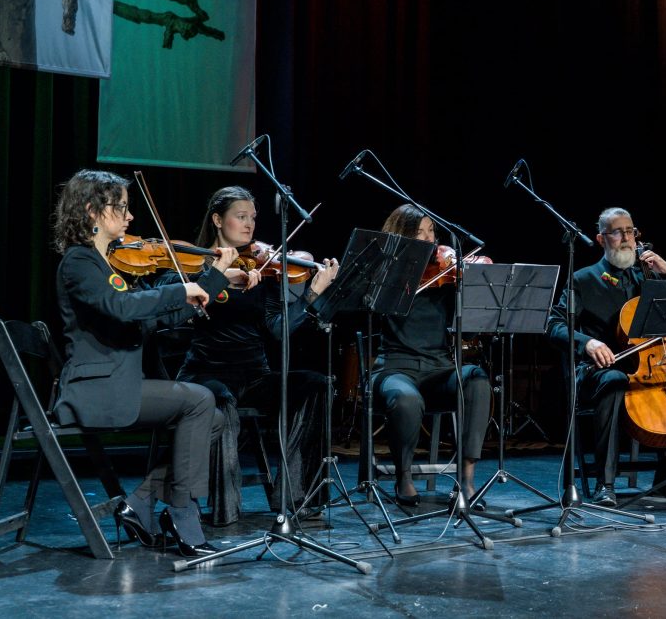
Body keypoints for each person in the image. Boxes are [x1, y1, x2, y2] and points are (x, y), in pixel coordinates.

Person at [52, 169, 235, 557]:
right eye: (121, 207)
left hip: (117, 384)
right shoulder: (79, 262)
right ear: (92, 210)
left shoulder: (106, 265)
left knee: (214, 418)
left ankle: (141, 500)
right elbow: (121, 307)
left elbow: (151, 319)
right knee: (201, 400)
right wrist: (179, 289)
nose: (130, 216)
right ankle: (183, 513)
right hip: (96, 391)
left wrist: (212, 281)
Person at [162, 186, 339, 522]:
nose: (249, 225)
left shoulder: (262, 268)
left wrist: (311, 295)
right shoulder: (194, 267)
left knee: (316, 385)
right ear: (218, 220)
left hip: (254, 375)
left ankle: (296, 494)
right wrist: (215, 278)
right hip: (206, 373)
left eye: (253, 218)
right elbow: (172, 299)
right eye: (240, 216)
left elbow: (278, 330)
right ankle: (224, 509)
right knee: (221, 398)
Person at [546, 206, 666, 506]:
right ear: (601, 239)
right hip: (600, 371)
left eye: (630, 231)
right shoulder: (583, 279)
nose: (626, 239)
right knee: (614, 381)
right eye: (617, 233)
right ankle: (606, 483)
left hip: (651, 368)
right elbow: (554, 324)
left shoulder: (648, 276)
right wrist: (587, 343)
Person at [370, 204, 492, 508]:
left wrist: (468, 286)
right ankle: (404, 476)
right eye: (419, 233)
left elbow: (469, 329)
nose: (429, 239)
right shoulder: (385, 273)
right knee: (406, 399)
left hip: (439, 369)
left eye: (431, 231)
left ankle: (466, 480)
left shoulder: (444, 276)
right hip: (395, 369)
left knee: (476, 381)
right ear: (401, 236)